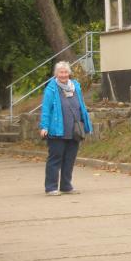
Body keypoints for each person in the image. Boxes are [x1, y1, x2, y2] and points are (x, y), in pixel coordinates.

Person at [39, 61, 93, 196]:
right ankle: (51, 187)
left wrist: (85, 123)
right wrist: (44, 126)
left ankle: (66, 186)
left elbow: (81, 105)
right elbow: (46, 109)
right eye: (60, 72)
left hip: (74, 129)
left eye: (65, 72)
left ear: (69, 73)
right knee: (55, 159)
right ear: (56, 74)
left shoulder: (75, 86)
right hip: (57, 130)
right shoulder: (51, 88)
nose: (63, 75)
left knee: (70, 159)